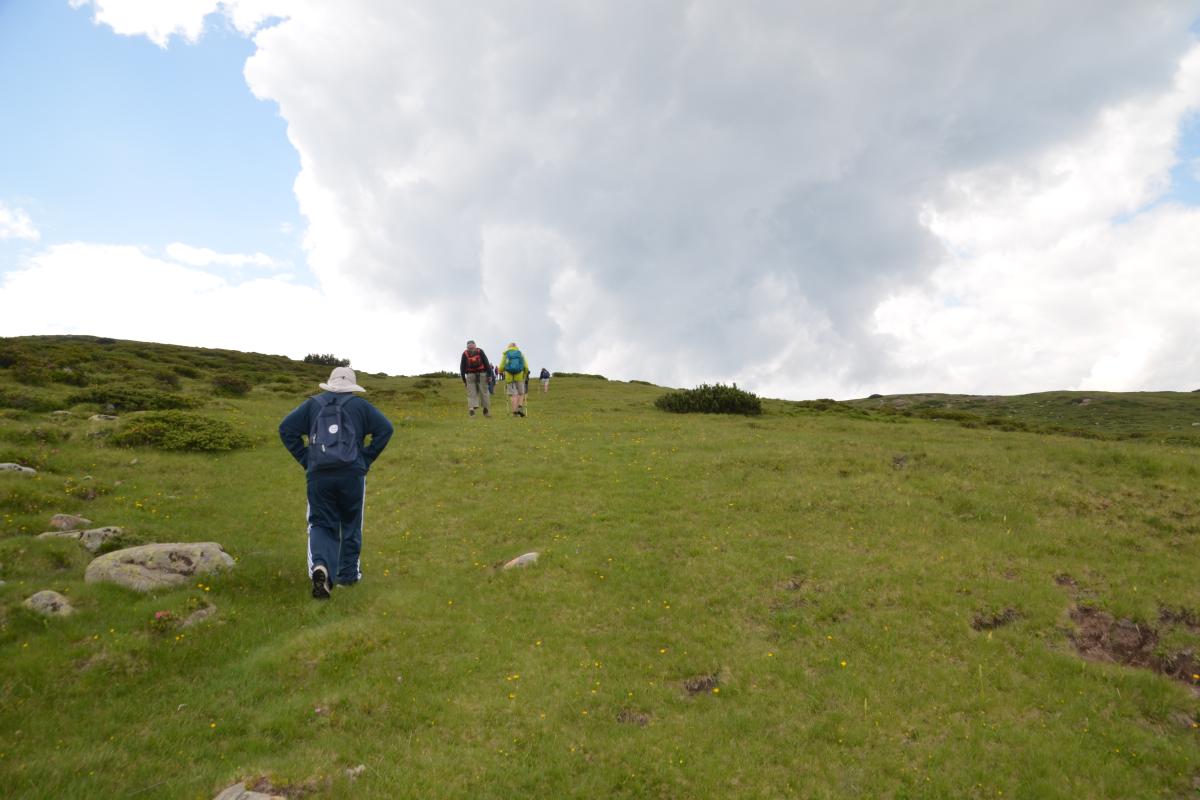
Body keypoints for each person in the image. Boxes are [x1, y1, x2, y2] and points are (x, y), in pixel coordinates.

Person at [279, 366, 394, 599]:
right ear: (352, 387)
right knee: (351, 523)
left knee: (321, 523)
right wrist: (365, 459)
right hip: (352, 474)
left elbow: (286, 429)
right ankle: (348, 577)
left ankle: (321, 567)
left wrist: (306, 459)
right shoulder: (360, 406)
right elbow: (386, 429)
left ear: (330, 383)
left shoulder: (313, 404)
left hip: (319, 474)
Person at [459, 340, 492, 417]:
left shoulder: (465, 353)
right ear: (475, 345)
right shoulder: (479, 351)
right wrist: (489, 375)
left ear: (467, 346)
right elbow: (486, 363)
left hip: (470, 375)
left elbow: (462, 368)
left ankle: (471, 410)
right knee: (484, 392)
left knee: (471, 393)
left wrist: (464, 380)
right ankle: (485, 410)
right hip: (482, 374)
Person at [498, 342, 529, 417]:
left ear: (508, 347)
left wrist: (501, 371)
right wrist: (525, 374)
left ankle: (515, 412)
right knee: (521, 393)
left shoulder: (506, 354)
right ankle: (520, 407)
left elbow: (501, 366)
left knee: (513, 395)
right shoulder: (520, 353)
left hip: (509, 376)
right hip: (519, 376)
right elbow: (526, 366)